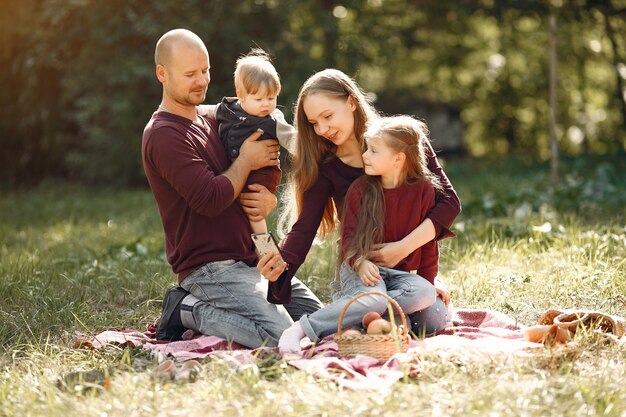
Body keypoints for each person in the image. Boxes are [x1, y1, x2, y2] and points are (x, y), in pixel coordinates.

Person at [142, 29, 322, 348]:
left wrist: (266, 199)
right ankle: (187, 310)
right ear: (162, 74)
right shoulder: (163, 134)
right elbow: (211, 199)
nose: (201, 81)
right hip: (209, 267)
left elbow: (265, 124)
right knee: (281, 338)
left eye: (205, 70)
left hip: (251, 257)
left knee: (316, 322)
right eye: (190, 74)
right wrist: (247, 161)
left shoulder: (218, 117)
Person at [258, 69, 461, 338]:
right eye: (314, 123)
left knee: (432, 319)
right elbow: (304, 229)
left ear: (351, 102)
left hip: (405, 269)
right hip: (362, 266)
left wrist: (405, 252)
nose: (322, 129)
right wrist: (280, 267)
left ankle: (365, 318)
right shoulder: (327, 169)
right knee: (390, 308)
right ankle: (369, 316)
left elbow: (449, 203)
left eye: (328, 116)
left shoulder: (401, 139)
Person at [278, 115, 448, 351]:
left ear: (398, 159)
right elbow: (348, 238)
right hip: (360, 267)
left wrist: (428, 282)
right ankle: (301, 329)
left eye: (373, 151)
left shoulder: (424, 190)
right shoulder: (361, 189)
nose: (365, 156)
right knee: (380, 302)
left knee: (425, 294)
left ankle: (361, 316)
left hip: (398, 277)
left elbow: (429, 244)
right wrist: (359, 262)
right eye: (366, 149)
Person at [212, 49, 296, 234]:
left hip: (262, 172)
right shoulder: (227, 110)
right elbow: (205, 112)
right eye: (259, 99)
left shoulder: (273, 119)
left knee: (253, 211)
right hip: (236, 168)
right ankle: (240, 243)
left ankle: (264, 249)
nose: (266, 104)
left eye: (271, 98)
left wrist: (312, 149)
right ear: (240, 96)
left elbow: (291, 138)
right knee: (230, 203)